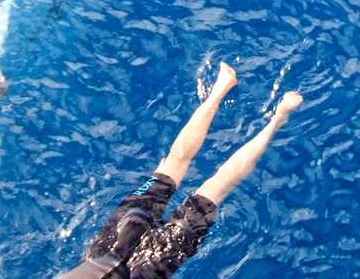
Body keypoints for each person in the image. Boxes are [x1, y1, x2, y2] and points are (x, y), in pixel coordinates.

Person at [59, 61, 303, 279]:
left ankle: (275, 119)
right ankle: (224, 94)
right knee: (175, 166)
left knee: (214, 186)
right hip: (120, 241)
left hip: (144, 263)